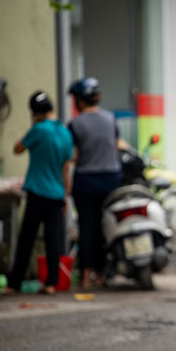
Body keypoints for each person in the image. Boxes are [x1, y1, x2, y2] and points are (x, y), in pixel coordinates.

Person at [5, 91, 74, 295]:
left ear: (36, 113)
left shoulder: (38, 129)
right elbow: (66, 168)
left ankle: (14, 283)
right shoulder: (65, 132)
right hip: (56, 194)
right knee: (53, 240)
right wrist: (66, 195)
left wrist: (32, 126)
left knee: (27, 238)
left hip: (37, 193)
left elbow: (17, 149)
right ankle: (51, 283)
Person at [67, 77, 122, 290]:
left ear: (80, 100)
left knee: (86, 228)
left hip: (86, 182)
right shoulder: (110, 119)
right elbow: (116, 146)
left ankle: (86, 276)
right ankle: (101, 273)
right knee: (104, 227)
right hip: (111, 179)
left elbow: (74, 155)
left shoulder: (75, 124)